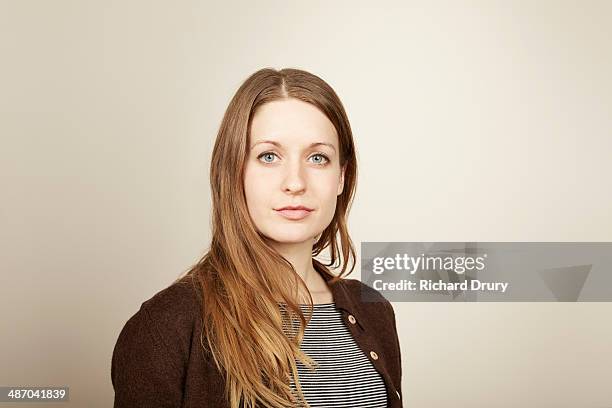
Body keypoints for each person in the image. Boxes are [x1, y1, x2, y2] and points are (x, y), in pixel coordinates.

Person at [111, 67, 403, 408]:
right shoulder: (165, 325)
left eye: (317, 157)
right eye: (269, 156)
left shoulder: (375, 311)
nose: (295, 182)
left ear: (341, 177)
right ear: (235, 172)